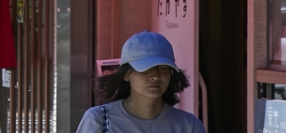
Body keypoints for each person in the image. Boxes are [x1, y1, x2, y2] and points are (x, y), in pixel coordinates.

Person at [77, 32, 206, 133]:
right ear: (126, 74)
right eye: (146, 68)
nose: (155, 76)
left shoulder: (189, 125)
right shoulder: (99, 120)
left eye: (163, 68)